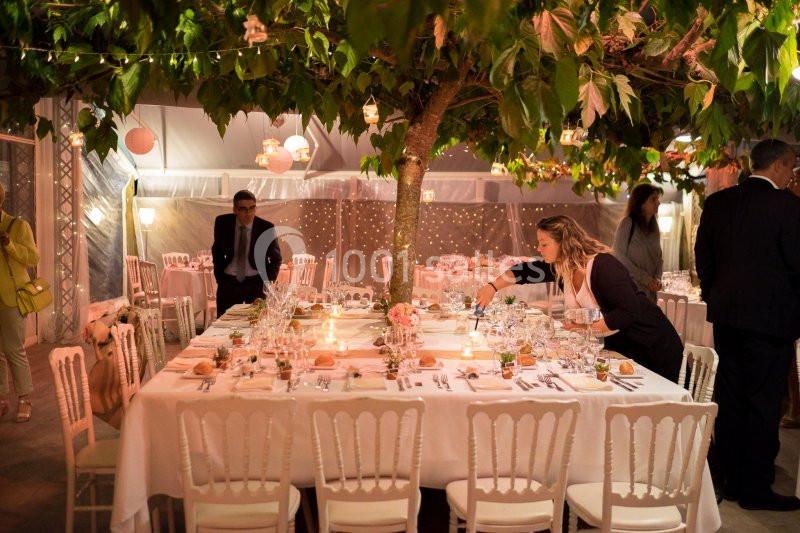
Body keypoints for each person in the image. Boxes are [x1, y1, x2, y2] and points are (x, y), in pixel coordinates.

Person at [695, 139, 800, 511]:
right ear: (778, 166)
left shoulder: (719, 203)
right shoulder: (788, 208)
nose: (792, 175)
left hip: (727, 317)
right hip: (771, 322)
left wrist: (713, 295)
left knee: (731, 396)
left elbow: (702, 257)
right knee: (763, 402)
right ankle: (756, 487)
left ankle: (728, 478)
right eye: (791, 167)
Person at [476, 215, 682, 382]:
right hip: (623, 351)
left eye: (544, 244)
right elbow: (524, 271)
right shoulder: (561, 267)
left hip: (653, 346)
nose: (539, 249)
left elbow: (629, 310)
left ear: (563, 244)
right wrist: (492, 287)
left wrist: (588, 329)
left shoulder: (603, 265)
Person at [0, 182, 39, 422]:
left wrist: (9, 244)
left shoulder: (17, 225)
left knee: (14, 349)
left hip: (12, 298)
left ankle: (24, 399)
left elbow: (33, 258)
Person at [212, 190, 282, 316]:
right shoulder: (223, 223)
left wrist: (268, 283)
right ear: (235, 209)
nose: (248, 213)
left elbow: (276, 259)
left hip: (255, 282)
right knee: (224, 321)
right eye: (243, 209)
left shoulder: (266, 228)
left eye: (252, 208)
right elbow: (216, 251)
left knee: (257, 322)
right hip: (228, 282)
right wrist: (220, 278)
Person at [613, 183, 663, 301]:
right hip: (631, 292)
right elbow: (618, 256)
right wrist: (646, 279)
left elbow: (659, 258)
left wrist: (657, 279)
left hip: (650, 294)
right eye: (653, 199)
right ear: (641, 203)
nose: (658, 202)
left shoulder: (654, 228)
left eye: (657, 199)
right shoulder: (627, 224)